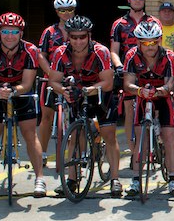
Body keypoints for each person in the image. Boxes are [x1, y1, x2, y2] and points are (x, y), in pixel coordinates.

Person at [0, 12, 46, 198]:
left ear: (21, 33)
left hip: (21, 90)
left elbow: (28, 83)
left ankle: (39, 179)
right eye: (5, 31)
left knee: (30, 133)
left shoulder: (30, 50)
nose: (10, 35)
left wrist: (13, 91)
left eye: (14, 31)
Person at [47, 15, 123, 197]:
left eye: (82, 37)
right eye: (74, 37)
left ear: (89, 36)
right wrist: (63, 91)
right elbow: (53, 81)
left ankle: (115, 179)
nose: (78, 41)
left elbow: (107, 82)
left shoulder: (101, 51)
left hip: (99, 94)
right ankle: (72, 179)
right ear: (68, 37)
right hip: (75, 93)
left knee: (109, 134)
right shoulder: (60, 53)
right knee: (74, 136)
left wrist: (88, 90)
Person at [122, 21, 174, 198]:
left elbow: (170, 83)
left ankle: (172, 179)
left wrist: (162, 91)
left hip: (163, 96)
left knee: (169, 137)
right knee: (141, 139)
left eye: (154, 42)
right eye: (146, 42)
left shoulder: (169, 56)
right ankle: (135, 179)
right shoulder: (132, 55)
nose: (150, 46)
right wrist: (140, 91)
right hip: (142, 95)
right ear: (138, 42)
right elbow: (127, 83)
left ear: (160, 40)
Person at [110, 0, 161, 152]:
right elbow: (114, 51)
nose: (138, 0)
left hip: (151, 71)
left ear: (145, 0)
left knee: (156, 107)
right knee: (129, 111)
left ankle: (156, 140)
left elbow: (160, 49)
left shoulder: (154, 22)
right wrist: (118, 66)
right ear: (129, 0)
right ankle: (134, 151)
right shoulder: (119, 24)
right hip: (129, 71)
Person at [37, 0, 76, 161]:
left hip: (73, 78)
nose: (66, 13)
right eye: (62, 10)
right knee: (46, 117)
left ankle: (78, 154)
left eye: (69, 10)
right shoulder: (49, 32)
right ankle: (42, 153)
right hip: (52, 78)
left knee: (77, 117)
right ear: (56, 11)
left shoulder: (79, 30)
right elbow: (41, 55)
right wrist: (50, 73)